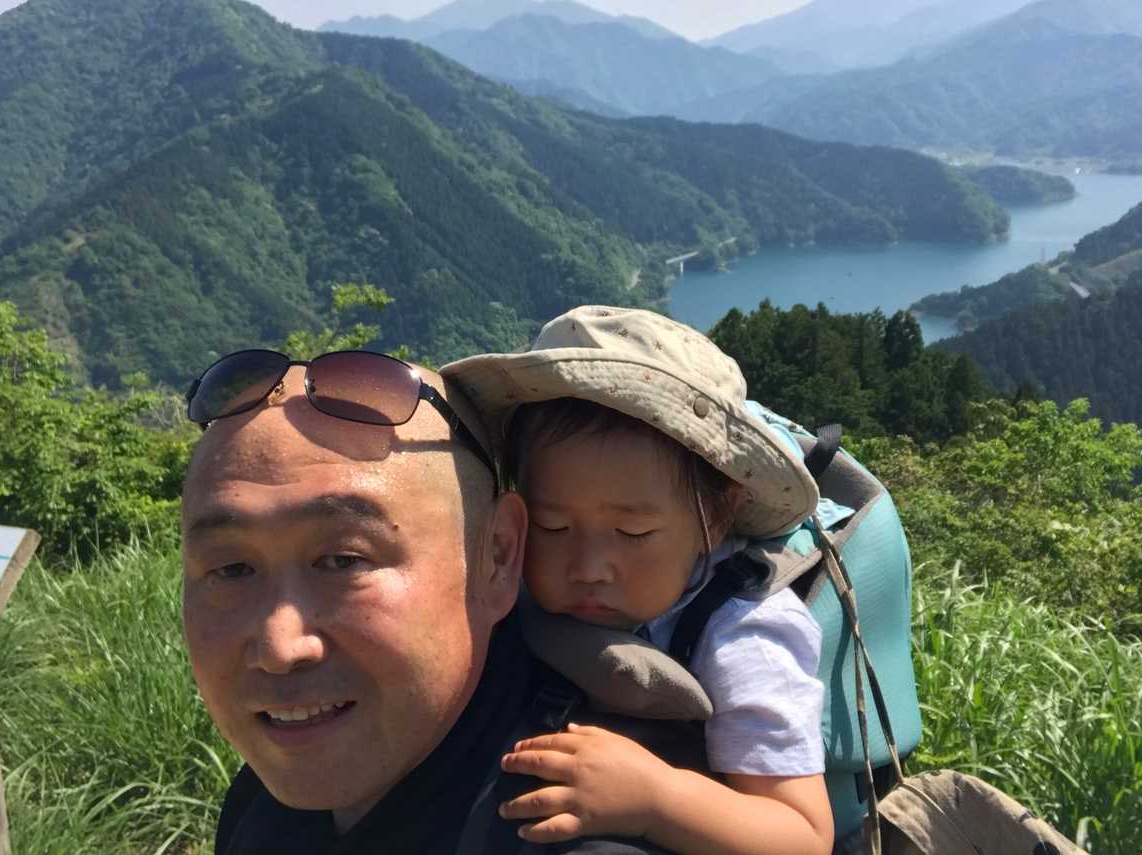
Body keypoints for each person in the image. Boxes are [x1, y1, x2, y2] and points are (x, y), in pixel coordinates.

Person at [180, 347, 678, 853]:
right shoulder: (264, 800)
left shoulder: (578, 830)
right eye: (231, 569)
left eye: (343, 560)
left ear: (497, 556)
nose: (280, 649)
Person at [442, 307, 835, 855]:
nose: (587, 567)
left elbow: (804, 835)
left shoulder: (743, 636)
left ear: (715, 516)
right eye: (552, 525)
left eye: (632, 532)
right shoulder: (512, 563)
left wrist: (655, 798)